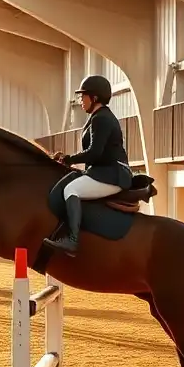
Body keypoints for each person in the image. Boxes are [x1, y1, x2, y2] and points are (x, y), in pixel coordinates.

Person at [42, 74, 133, 257]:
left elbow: (94, 152)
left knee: (71, 190)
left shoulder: (101, 119)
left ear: (95, 98)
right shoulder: (98, 117)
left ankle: (72, 241)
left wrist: (68, 159)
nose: (80, 100)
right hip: (105, 172)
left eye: (83, 96)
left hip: (112, 174)